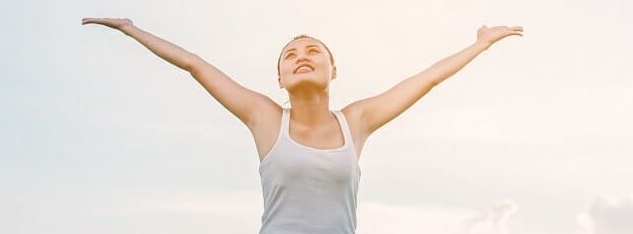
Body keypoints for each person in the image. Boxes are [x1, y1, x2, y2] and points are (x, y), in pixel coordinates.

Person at [81, 17, 523, 233]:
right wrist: (130, 29)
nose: (302, 57)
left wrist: (480, 45)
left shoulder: (358, 121)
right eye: (290, 55)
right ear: (279, 79)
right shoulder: (265, 118)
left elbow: (426, 78)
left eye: (313, 51)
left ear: (334, 70)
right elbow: (195, 65)